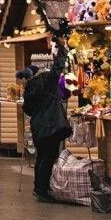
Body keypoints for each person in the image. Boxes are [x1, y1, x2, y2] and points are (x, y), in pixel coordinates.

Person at [23, 58, 73, 203]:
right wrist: (62, 46)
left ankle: (38, 187)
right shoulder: (48, 82)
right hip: (51, 125)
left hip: (37, 125)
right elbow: (58, 67)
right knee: (48, 158)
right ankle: (42, 190)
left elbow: (27, 109)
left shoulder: (30, 88)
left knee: (41, 157)